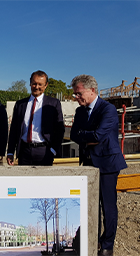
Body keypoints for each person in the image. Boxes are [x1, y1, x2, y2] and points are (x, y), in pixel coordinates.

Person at [70, 74, 127, 256]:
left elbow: (99, 136)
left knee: (107, 206)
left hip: (107, 164)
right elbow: (73, 136)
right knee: (89, 205)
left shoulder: (107, 109)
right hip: (88, 163)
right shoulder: (80, 112)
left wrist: (86, 136)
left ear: (92, 90)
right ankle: (92, 240)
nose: (76, 98)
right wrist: (90, 137)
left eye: (79, 94)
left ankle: (107, 245)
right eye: (75, 95)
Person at [7, 70, 65, 166]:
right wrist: (10, 152)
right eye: (34, 83)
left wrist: (53, 150)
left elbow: (60, 129)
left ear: (46, 85)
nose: (37, 87)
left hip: (44, 152)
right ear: (30, 83)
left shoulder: (54, 103)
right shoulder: (20, 104)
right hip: (24, 152)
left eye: (40, 84)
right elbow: (14, 129)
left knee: (43, 181)